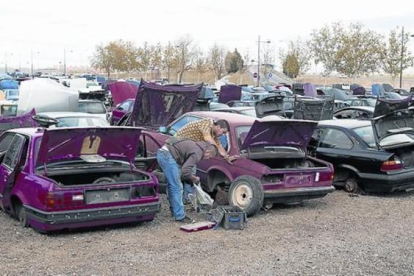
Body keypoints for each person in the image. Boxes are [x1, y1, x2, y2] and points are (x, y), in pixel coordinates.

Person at [156, 137, 218, 223]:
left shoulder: (197, 146)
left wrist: (190, 178)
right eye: (210, 157)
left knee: (172, 185)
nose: (208, 159)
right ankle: (180, 216)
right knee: (177, 186)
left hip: (164, 153)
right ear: (207, 152)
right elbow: (186, 170)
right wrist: (194, 178)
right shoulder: (198, 153)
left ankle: (175, 211)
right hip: (167, 155)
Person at [174, 118, 238, 201]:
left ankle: (187, 199)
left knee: (189, 172)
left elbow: (219, 147)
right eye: (223, 132)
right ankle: (180, 198)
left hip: (189, 150)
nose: (223, 135)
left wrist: (227, 157)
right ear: (218, 127)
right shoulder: (206, 123)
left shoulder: (213, 135)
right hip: (177, 147)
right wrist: (216, 149)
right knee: (178, 174)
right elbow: (208, 138)